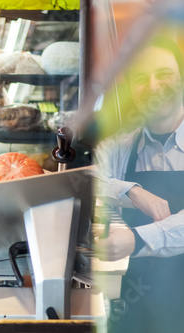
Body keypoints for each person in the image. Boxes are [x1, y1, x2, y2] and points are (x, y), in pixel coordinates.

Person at [95, 36, 184, 333]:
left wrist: (136, 239)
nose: (154, 87)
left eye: (164, 74)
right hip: (132, 310)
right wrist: (131, 191)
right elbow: (89, 179)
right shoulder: (120, 148)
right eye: (141, 79)